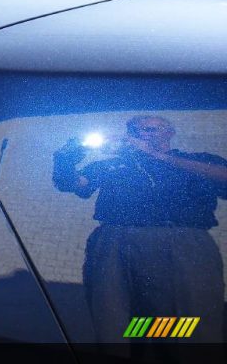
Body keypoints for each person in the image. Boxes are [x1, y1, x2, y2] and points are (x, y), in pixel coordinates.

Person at [53, 116, 227, 343]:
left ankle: (175, 349)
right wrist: (65, 158)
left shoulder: (195, 160)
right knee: (114, 313)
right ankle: (134, 347)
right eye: (135, 131)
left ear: (169, 132)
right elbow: (73, 183)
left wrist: (156, 156)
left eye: (149, 129)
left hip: (182, 242)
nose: (141, 135)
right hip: (115, 241)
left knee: (189, 314)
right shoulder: (113, 165)